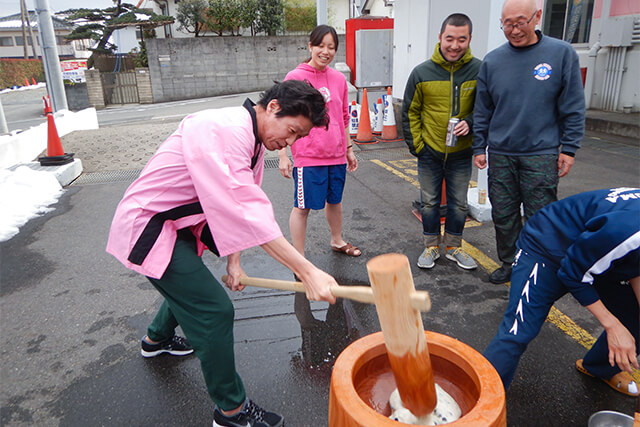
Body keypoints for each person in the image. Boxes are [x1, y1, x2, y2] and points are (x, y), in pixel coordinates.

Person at [106, 80, 338, 427]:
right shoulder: (226, 130)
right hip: (149, 225)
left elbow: (240, 208)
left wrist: (235, 262)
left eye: (297, 138)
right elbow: (247, 213)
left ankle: (157, 339)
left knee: (190, 285)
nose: (288, 143)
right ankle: (231, 412)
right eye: (291, 131)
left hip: (177, 221)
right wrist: (307, 271)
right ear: (273, 107)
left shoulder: (253, 138)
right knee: (214, 310)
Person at [484, 187, 640, 397]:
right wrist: (613, 326)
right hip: (547, 248)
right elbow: (572, 273)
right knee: (517, 332)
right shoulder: (629, 231)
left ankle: (599, 368)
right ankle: (482, 402)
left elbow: (636, 265)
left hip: (597, 254)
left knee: (636, 318)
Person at [472, 0, 586, 284]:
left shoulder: (561, 54)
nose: (513, 29)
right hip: (501, 153)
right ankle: (510, 262)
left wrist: (569, 149)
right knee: (504, 214)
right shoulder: (493, 60)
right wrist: (479, 146)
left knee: (542, 215)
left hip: (541, 153)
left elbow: (573, 105)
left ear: (538, 16)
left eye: (520, 22)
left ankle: (543, 268)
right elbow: (483, 108)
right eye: (507, 24)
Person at [402, 13, 481, 270]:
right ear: (440, 38)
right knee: (429, 202)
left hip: (461, 152)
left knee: (459, 204)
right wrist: (418, 147)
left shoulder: (479, 70)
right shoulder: (421, 72)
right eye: (449, 38)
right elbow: (410, 111)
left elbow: (486, 109)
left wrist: (470, 122)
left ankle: (454, 248)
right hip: (430, 151)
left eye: (462, 39)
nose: (454, 45)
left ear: (469, 39)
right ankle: (431, 246)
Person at [278, 24, 360, 261]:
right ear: (310, 46)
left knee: (335, 201)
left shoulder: (338, 79)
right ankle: (299, 257)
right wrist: (283, 156)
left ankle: (337, 240)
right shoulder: (295, 77)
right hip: (308, 155)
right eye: (321, 46)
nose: (326, 51)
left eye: (331, 47)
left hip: (335, 154)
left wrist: (348, 149)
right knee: (302, 207)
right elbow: (282, 118)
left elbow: (343, 117)